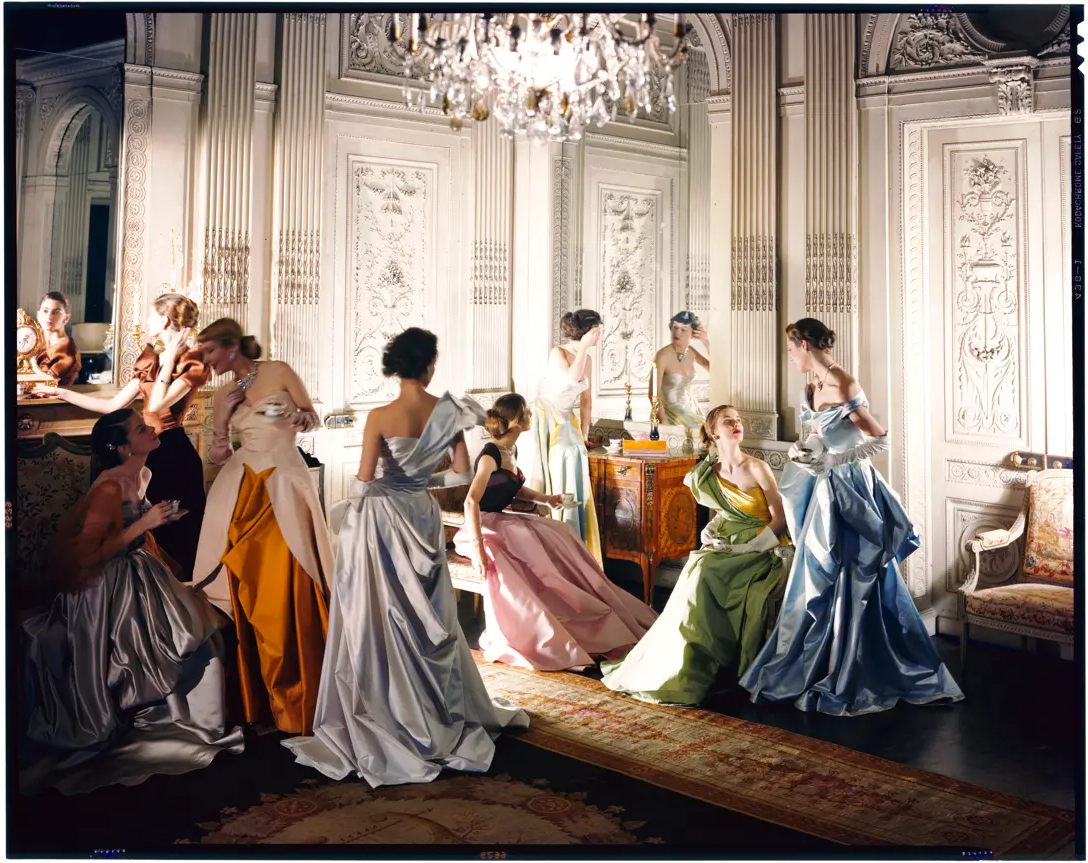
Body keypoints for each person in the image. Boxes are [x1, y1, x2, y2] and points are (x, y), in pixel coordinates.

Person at [282, 328, 527, 787]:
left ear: (395, 368)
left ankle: (389, 704)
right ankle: (434, 706)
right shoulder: (448, 412)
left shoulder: (379, 415)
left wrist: (367, 501)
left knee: (383, 611)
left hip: (383, 518)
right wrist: (419, 479)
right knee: (427, 612)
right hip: (420, 513)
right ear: (430, 366)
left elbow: (364, 480)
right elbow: (459, 473)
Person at [739, 318, 964, 716]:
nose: (790, 357)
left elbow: (879, 438)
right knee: (817, 571)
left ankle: (858, 665)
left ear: (805, 344)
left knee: (855, 570)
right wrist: (801, 451)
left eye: (791, 350)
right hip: (821, 487)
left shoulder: (843, 383)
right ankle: (816, 662)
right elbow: (819, 433)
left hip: (851, 487)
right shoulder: (812, 384)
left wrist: (834, 461)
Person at [19, 409, 244, 796]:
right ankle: (163, 716)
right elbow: (88, 556)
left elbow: (133, 529)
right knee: (187, 639)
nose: (152, 428)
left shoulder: (143, 473)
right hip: (102, 588)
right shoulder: (109, 488)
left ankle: (187, 713)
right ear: (124, 448)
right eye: (141, 429)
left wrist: (155, 522)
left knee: (198, 631)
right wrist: (143, 524)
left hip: (136, 572)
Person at [191, 318, 330, 736]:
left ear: (231, 346)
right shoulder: (223, 394)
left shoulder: (279, 371)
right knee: (247, 591)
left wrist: (300, 418)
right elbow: (218, 456)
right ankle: (260, 702)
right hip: (240, 491)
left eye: (210, 351)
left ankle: (300, 695)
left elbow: (313, 418)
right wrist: (220, 419)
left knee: (283, 590)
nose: (206, 360)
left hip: (284, 486)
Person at [601, 405, 789, 705]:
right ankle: (680, 662)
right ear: (713, 432)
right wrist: (711, 530)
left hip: (761, 545)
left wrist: (748, 547)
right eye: (728, 421)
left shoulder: (757, 467)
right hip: (727, 541)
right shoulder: (711, 472)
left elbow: (780, 518)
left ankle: (707, 664)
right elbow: (724, 512)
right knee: (697, 567)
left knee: (704, 570)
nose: (737, 424)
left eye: (738, 420)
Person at [455, 393, 658, 671]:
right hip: (481, 526)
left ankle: (580, 602)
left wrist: (547, 499)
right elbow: (470, 501)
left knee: (559, 532)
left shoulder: (511, 450)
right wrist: (478, 546)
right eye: (526, 412)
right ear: (515, 422)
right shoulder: (490, 455)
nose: (531, 415)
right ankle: (547, 625)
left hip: (502, 521)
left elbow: (514, 487)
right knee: (532, 543)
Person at [38, 292, 208, 579]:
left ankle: (170, 598)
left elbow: (157, 404)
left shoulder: (192, 362)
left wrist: (169, 360)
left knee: (175, 536)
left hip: (173, 454)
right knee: (146, 531)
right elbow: (112, 406)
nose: (147, 322)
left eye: (152, 316)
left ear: (165, 322)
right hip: (145, 451)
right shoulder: (151, 361)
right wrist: (59, 392)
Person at [520, 310, 604, 565]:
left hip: (567, 421)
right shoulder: (558, 353)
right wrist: (584, 347)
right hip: (545, 419)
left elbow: (586, 400)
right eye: (597, 330)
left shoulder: (588, 359)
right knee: (555, 470)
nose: (600, 335)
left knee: (575, 458)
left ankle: (573, 547)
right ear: (586, 332)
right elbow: (571, 379)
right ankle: (549, 546)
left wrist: (585, 434)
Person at [651, 311, 710, 427]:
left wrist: (707, 343)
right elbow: (653, 394)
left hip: (692, 410)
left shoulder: (691, 352)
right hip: (668, 414)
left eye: (684, 329)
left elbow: (713, 369)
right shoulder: (662, 356)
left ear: (693, 334)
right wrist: (664, 422)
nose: (677, 332)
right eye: (675, 327)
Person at [35, 292, 81, 385]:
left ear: (66, 318)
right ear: (38, 315)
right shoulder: (32, 341)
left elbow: (45, 383)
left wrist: (32, 363)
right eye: (45, 311)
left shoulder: (68, 350)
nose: (49, 316)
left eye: (56, 312)